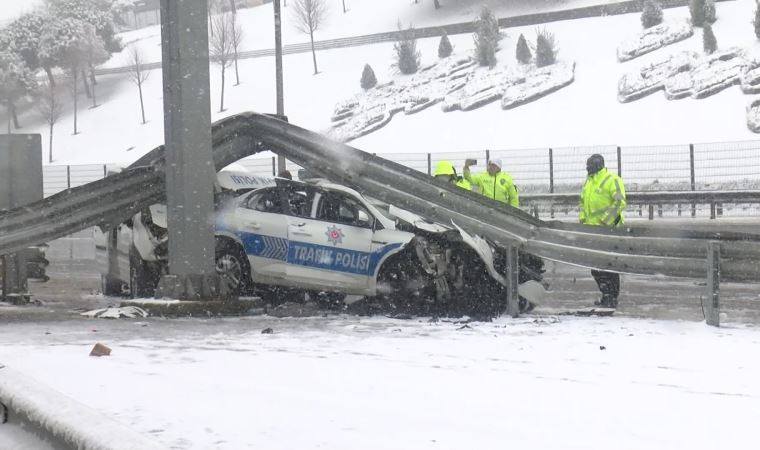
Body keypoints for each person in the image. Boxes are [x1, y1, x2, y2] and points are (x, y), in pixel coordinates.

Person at [579, 153, 627, 308]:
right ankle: (606, 294)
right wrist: (582, 220)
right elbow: (582, 202)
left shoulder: (612, 179)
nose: (587, 169)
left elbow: (619, 202)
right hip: (591, 231)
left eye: (590, 166)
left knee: (609, 266)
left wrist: (605, 222)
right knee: (596, 268)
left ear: (598, 165)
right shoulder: (588, 181)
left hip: (608, 230)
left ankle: (611, 297)